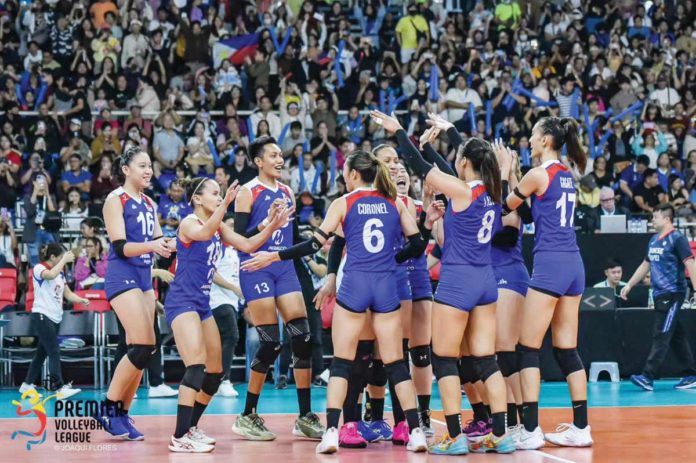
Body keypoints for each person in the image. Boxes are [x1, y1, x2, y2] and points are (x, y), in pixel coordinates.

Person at [241, 150, 437, 454]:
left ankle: (332, 431)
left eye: (345, 171)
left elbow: (313, 244)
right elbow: (417, 243)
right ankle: (415, 432)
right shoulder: (394, 201)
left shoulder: (344, 203)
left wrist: (276, 255)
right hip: (387, 285)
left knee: (343, 363)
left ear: (354, 174)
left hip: (356, 284)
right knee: (396, 363)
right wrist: (391, 258)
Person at [372, 109, 515, 455]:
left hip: (458, 281)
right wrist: (444, 138)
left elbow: (424, 171)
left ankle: (453, 436)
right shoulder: (494, 191)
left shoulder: (462, 191)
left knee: (444, 358)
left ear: (465, 162)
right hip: (486, 280)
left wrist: (401, 132)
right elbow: (446, 170)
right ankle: (502, 433)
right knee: (486, 360)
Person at [165, 177, 289, 453]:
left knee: (216, 370)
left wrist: (272, 226)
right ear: (197, 199)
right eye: (214, 193)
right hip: (181, 302)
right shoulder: (189, 223)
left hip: (201, 304)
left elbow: (247, 245)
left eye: (221, 194)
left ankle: (191, 428)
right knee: (195, 365)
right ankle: (178, 436)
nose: (220, 197)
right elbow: (204, 233)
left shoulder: (218, 226)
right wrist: (228, 204)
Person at [501, 117, 593, 449]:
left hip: (551, 264)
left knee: (527, 348)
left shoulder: (538, 173)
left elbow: (505, 206)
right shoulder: (566, 175)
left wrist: (503, 173)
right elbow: (531, 213)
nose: (528, 139)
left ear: (544, 141)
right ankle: (581, 428)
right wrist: (514, 179)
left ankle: (530, 429)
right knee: (567, 349)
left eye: (532, 135)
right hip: (574, 265)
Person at [232, 136, 324, 441]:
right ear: (259, 161)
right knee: (270, 342)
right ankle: (247, 415)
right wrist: (265, 225)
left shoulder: (287, 192)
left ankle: (305, 416)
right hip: (256, 264)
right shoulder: (247, 192)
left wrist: (315, 246)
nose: (280, 159)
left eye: (280, 154)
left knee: (303, 335)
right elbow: (239, 237)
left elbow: (293, 238)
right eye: (273, 155)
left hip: (284, 267)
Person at [94, 148, 175, 441]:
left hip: (143, 279)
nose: (148, 170)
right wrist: (154, 246)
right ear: (125, 169)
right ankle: (107, 407)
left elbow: (156, 241)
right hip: (121, 276)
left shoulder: (150, 203)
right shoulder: (115, 199)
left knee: (147, 348)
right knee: (141, 344)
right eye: (141, 165)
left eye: (150, 166)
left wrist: (169, 243)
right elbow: (120, 247)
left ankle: (122, 412)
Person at [621, 204, 696, 391]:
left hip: (673, 294)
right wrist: (629, 284)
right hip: (659, 294)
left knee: (661, 334)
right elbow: (645, 265)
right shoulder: (654, 239)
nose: (652, 220)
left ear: (667, 219)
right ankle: (691, 374)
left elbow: (691, 264)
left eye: (655, 216)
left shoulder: (677, 239)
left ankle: (647, 376)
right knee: (675, 335)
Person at [19, 244, 87, 399]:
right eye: (60, 257)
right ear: (53, 257)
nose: (63, 260)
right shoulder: (39, 268)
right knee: (54, 351)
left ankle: (27, 385)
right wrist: (64, 260)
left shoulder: (60, 274)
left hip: (55, 317)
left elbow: (68, 294)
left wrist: (81, 300)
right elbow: (49, 275)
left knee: (41, 354)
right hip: (42, 314)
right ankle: (59, 387)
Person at [209, 214, 244, 398]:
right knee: (231, 335)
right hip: (217, 299)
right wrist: (233, 288)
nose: (233, 228)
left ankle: (213, 380)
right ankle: (223, 380)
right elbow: (211, 273)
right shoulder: (218, 247)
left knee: (222, 340)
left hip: (232, 300)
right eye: (229, 225)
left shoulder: (234, 249)